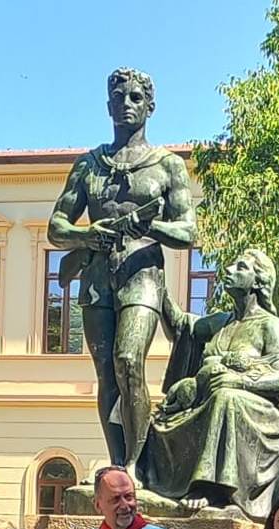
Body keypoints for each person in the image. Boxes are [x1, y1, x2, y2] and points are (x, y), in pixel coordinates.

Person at [48, 67, 197, 470]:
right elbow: (56, 226)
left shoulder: (167, 165)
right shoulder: (89, 165)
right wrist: (86, 235)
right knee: (107, 374)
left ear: (150, 107)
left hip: (142, 274)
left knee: (128, 360)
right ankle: (117, 464)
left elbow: (188, 231)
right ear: (107, 106)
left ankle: (138, 463)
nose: (126, 105)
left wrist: (151, 227)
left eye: (135, 98)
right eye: (119, 98)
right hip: (97, 278)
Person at [139, 248, 279, 519]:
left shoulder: (272, 325)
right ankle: (146, 477)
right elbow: (180, 325)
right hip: (208, 402)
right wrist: (155, 277)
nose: (229, 271)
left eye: (241, 267)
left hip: (259, 412)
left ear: (258, 281)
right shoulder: (220, 322)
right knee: (160, 418)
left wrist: (239, 381)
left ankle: (211, 488)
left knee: (225, 399)